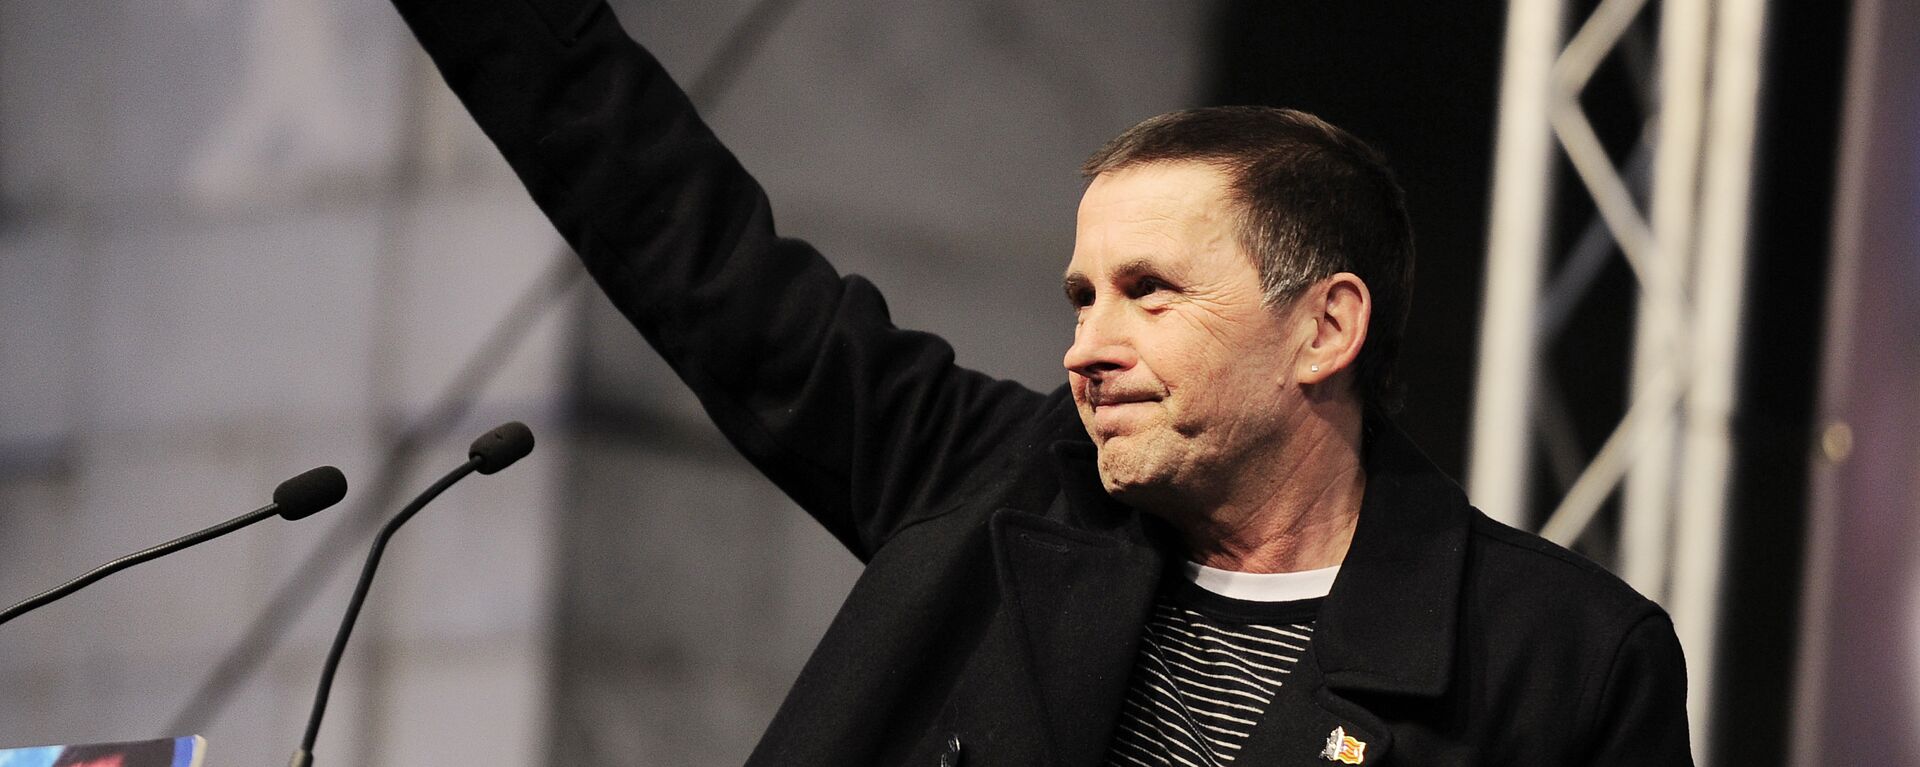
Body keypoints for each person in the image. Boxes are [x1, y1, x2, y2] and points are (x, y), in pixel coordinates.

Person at [385, 0, 1693, 763]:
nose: (1086, 344)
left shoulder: (1563, 657)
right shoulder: (996, 495)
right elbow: (688, 246)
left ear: (1325, 327)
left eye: (1149, 292)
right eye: (1079, 297)